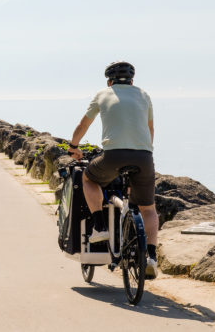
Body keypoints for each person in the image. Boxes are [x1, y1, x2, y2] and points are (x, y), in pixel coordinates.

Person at [67, 61, 159, 279]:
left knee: (89, 179)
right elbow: (150, 129)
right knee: (148, 209)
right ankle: (152, 257)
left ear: (109, 81)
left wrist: (74, 147)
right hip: (144, 157)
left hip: (113, 156)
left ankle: (99, 227)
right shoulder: (144, 95)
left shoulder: (103, 94)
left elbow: (83, 125)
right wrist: (145, 153)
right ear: (132, 81)